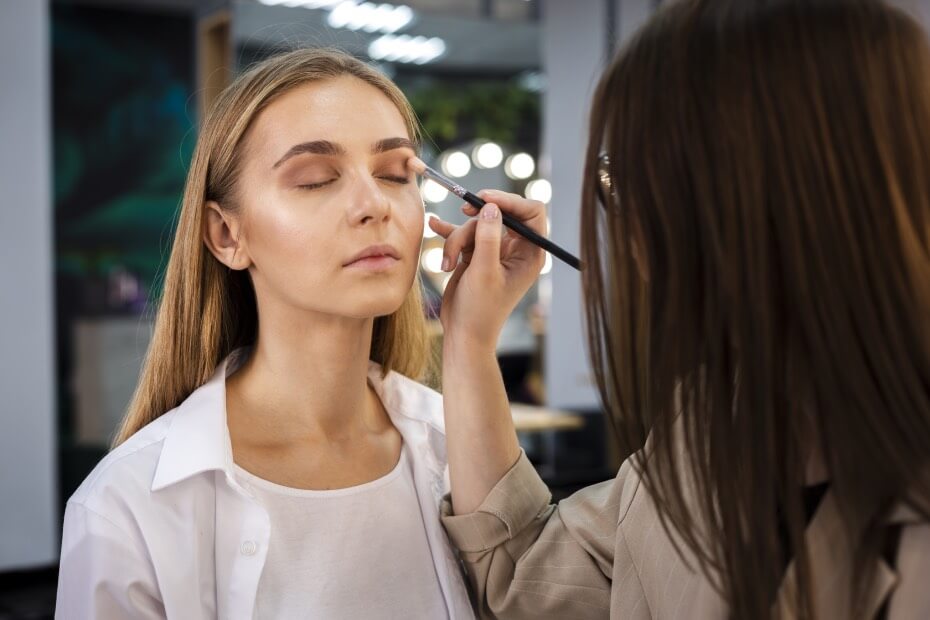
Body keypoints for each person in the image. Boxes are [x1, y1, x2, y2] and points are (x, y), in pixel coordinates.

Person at [428, 0, 930, 618]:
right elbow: (530, 581)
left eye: (636, 182)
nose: (629, 227)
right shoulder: (707, 430)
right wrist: (468, 339)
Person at [55, 48, 473, 619]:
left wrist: (474, 339)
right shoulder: (127, 507)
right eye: (315, 180)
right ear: (227, 235)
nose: (375, 204)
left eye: (395, 174)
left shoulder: (458, 450)